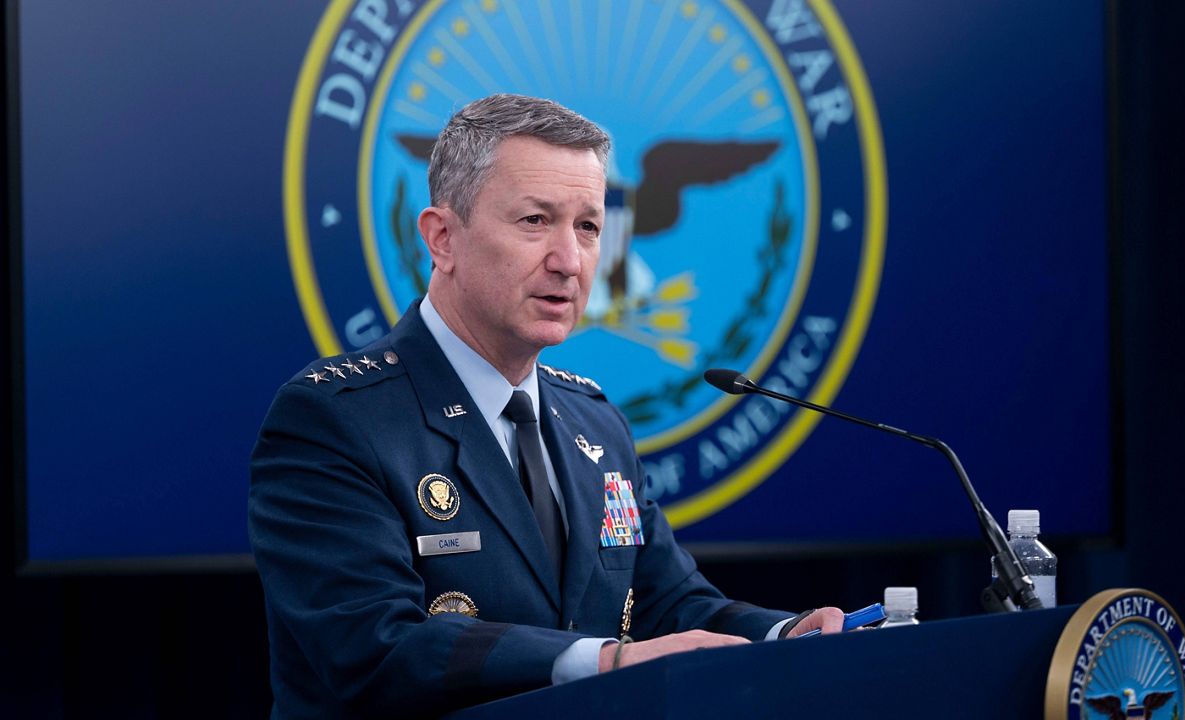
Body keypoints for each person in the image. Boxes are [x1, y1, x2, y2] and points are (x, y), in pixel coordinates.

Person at [249, 94, 844, 718]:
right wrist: (604, 660)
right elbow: (372, 647)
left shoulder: (594, 421)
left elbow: (670, 605)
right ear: (442, 238)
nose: (570, 261)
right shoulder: (333, 419)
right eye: (536, 221)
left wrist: (787, 633)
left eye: (588, 226)